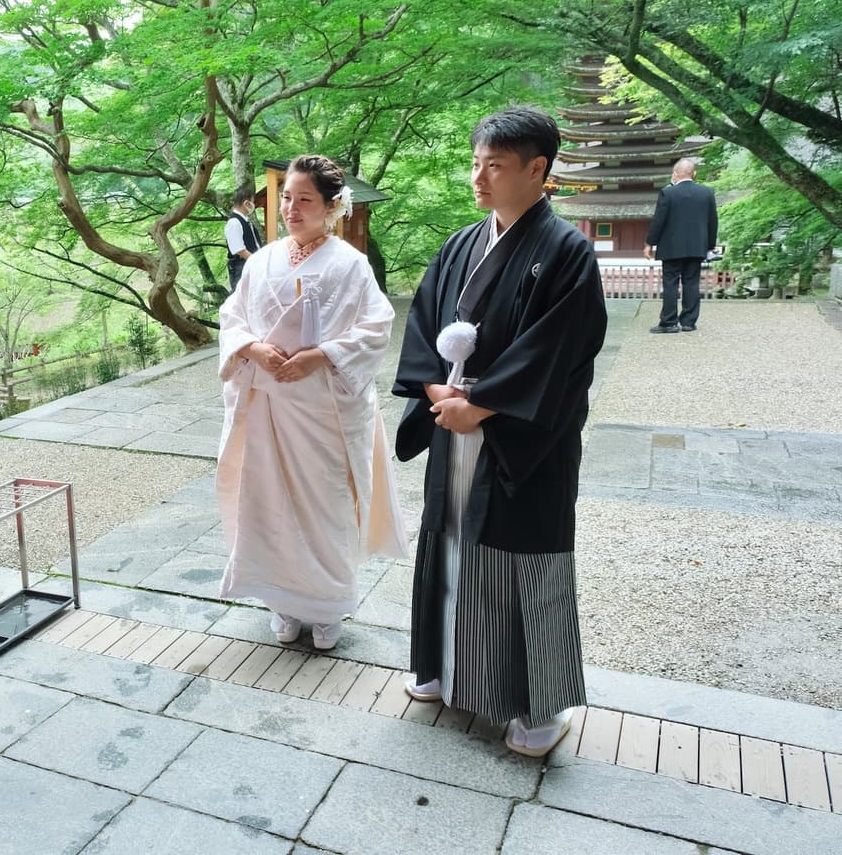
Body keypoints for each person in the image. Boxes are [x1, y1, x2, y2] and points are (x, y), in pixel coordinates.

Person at [392, 107, 606, 758]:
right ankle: (441, 670)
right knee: (449, 543)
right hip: (455, 430)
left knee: (524, 564)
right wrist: (436, 392)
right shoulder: (460, 244)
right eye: (475, 162)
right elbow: (425, 324)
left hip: (521, 443)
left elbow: (559, 353)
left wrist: (479, 404)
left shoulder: (566, 252)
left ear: (538, 170)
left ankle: (537, 711)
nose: (478, 177)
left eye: (495, 166)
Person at [217, 155, 407, 651]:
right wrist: (252, 347)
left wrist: (322, 355)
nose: (291, 209)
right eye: (286, 199)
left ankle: (326, 607)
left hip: (324, 409)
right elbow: (232, 316)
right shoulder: (260, 261)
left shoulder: (351, 264)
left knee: (327, 505)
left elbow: (376, 326)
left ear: (331, 207)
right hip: (270, 407)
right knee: (269, 504)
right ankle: (282, 601)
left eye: (304, 200)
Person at [645, 158, 718, 333]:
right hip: (696, 248)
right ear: (694, 174)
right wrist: (709, 245)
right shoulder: (706, 193)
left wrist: (650, 243)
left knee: (670, 283)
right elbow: (712, 222)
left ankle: (669, 323)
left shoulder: (668, 193)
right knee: (691, 283)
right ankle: (688, 322)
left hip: (671, 248)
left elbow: (658, 221)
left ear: (675, 174)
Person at [225, 186, 263, 291]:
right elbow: (239, 250)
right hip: (241, 268)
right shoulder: (234, 222)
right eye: (252, 202)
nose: (253, 205)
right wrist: (257, 261)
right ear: (246, 203)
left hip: (250, 265)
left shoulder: (245, 221)